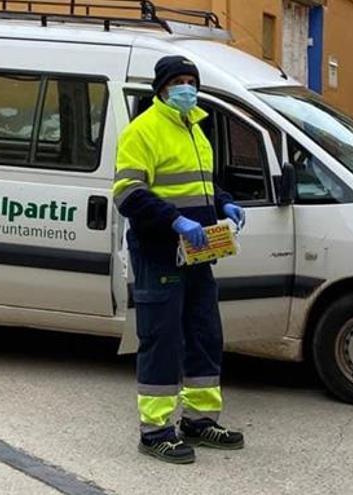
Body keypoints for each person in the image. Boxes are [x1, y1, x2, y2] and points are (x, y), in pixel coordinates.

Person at [113, 55, 246, 463]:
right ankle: (155, 432)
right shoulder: (143, 131)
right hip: (160, 252)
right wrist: (175, 221)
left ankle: (199, 420)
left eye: (192, 81)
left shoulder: (195, 128)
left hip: (199, 253)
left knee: (205, 334)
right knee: (162, 340)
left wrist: (224, 203)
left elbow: (203, 184)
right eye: (179, 82)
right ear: (163, 88)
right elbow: (126, 194)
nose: (188, 88)